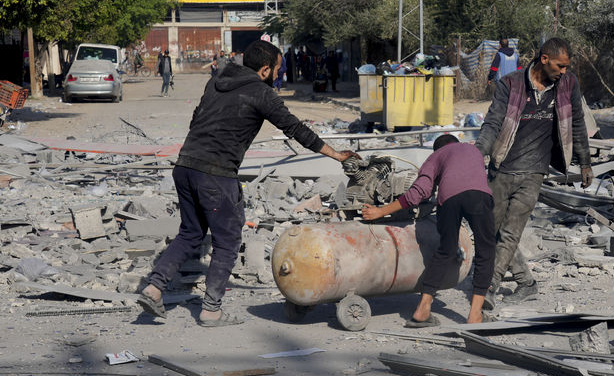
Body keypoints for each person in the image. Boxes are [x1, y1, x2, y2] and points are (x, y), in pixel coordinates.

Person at [137, 40, 360, 327]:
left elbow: (196, 120)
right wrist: (335, 154)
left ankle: (154, 287)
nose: (279, 75)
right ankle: (211, 310)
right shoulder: (261, 93)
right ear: (265, 69)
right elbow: (294, 128)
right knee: (227, 241)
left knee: (191, 233)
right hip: (216, 174)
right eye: (278, 69)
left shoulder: (216, 81)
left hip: (185, 166)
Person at [475, 37, 593, 310]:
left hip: (534, 170)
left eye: (566, 67)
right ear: (544, 59)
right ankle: (526, 283)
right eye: (560, 66)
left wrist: (585, 162)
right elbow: (493, 122)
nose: (564, 72)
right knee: (490, 230)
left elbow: (577, 121)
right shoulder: (511, 84)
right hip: (502, 166)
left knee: (511, 232)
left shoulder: (568, 84)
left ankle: (488, 288)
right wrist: (478, 152)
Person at [361, 134, 495, 326]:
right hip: (479, 196)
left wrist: (380, 211)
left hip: (449, 200)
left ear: (437, 149)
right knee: (486, 250)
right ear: (455, 144)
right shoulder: (473, 150)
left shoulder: (435, 157)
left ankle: (423, 309)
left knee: (445, 250)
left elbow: (419, 192)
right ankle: (475, 315)